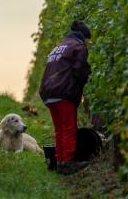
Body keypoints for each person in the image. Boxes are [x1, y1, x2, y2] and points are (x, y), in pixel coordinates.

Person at [39, 21, 91, 175]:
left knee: (59, 129)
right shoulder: (79, 47)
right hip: (64, 92)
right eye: (89, 40)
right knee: (69, 128)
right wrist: (87, 75)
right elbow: (80, 70)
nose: (88, 43)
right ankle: (67, 162)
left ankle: (60, 160)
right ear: (84, 37)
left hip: (49, 93)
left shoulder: (59, 47)